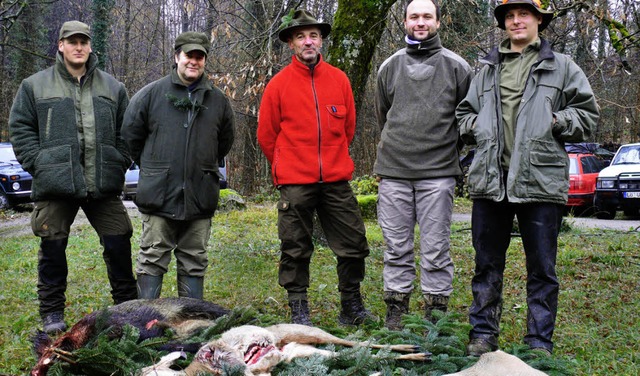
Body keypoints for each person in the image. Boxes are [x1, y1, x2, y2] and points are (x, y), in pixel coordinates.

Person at [456, 0, 599, 356]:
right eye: (509, 16)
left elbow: (588, 116)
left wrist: (557, 121)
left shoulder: (561, 66)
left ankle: (538, 343)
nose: (515, 21)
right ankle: (483, 335)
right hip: (491, 180)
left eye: (523, 14)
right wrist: (478, 125)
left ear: (539, 20)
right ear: (503, 23)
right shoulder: (486, 68)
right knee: (486, 264)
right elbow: (464, 114)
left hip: (539, 180)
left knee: (542, 269)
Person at [8, 20, 137, 334]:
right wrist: (40, 163)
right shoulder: (34, 85)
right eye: (72, 41)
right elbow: (21, 128)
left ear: (90, 46)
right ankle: (52, 314)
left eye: (83, 41)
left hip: (103, 183)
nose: (78, 47)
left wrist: (118, 161)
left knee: (119, 243)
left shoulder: (113, 88)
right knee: (52, 251)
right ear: (61, 46)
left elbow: (128, 131)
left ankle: (128, 308)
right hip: (55, 185)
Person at [257, 9, 373, 326]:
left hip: (336, 179)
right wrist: (287, 165)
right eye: (300, 36)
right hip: (295, 182)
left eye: (313, 35)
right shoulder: (278, 86)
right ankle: (299, 311)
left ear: (320, 41)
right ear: (291, 44)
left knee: (353, 245)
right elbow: (267, 135)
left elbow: (348, 129)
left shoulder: (339, 80)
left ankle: (351, 306)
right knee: (295, 247)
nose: (308, 41)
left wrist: (332, 158)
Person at [374, 0, 472, 330]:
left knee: (436, 249)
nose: (420, 22)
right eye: (414, 16)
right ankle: (396, 311)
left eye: (427, 16)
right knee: (396, 248)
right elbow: (383, 115)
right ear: (404, 21)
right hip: (394, 173)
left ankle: (435, 314)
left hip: (439, 174)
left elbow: (466, 119)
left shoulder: (458, 68)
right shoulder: (389, 67)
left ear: (438, 23)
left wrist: (447, 153)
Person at [122, 31, 235, 300]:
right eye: (188, 55)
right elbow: (130, 136)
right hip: (159, 194)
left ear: (205, 60)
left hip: (200, 195)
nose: (193, 61)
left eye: (199, 56)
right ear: (176, 57)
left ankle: (190, 322)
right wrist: (155, 167)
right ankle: (147, 322)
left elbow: (224, 142)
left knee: (194, 258)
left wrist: (201, 166)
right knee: (152, 256)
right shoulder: (151, 95)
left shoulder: (218, 101)